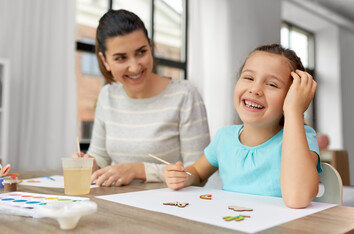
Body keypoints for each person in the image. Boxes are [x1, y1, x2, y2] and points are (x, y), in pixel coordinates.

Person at [164, 43, 321, 209]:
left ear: (292, 96)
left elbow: (298, 198)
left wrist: (293, 111)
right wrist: (184, 176)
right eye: (249, 78)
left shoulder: (302, 137)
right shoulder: (224, 137)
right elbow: (197, 172)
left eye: (272, 84)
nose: (255, 89)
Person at [74, 9, 210, 187]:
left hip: (169, 206)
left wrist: (139, 170)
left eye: (141, 52)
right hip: (118, 202)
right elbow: (102, 161)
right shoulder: (108, 96)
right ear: (105, 61)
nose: (134, 67)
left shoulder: (185, 95)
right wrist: (90, 165)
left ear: (151, 47)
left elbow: (198, 173)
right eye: (121, 58)